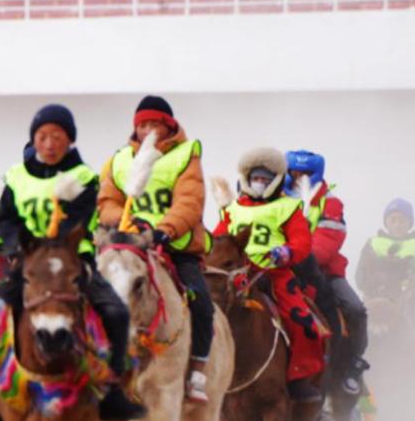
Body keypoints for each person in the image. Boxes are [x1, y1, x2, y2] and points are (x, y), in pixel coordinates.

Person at [0, 103, 141, 421]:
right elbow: (6, 220)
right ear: (34, 139)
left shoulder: (84, 177)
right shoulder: (17, 177)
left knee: (116, 313)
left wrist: (57, 247)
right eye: (42, 136)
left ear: (69, 140)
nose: (49, 143)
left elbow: (81, 219)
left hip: (74, 265)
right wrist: (20, 248)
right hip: (28, 267)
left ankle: (113, 392)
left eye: (56, 136)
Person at [97, 95, 215, 403]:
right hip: (128, 246)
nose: (148, 130)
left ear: (169, 126)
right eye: (142, 124)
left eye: (155, 124)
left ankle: (198, 370)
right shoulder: (118, 160)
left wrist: (165, 230)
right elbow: (106, 203)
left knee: (201, 300)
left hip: (172, 247)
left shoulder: (185, 155)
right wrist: (125, 221)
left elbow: (190, 201)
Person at [213, 147, 325, 403]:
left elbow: (302, 241)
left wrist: (286, 252)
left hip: (275, 273)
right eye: (255, 178)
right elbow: (220, 237)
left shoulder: (288, 207)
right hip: (238, 273)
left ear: (275, 180)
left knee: (303, 321)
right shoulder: (234, 209)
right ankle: (202, 374)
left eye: (265, 179)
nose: (259, 184)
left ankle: (300, 377)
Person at [284, 149, 370, 395]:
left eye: (304, 173)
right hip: (282, 269)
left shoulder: (330, 202)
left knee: (355, 310)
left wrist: (300, 259)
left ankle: (352, 363)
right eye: (293, 172)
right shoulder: (277, 198)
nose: (298, 177)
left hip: (323, 271)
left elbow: (328, 239)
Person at [355, 198, 415, 348]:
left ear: (409, 223)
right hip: (376, 301)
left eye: (402, 220)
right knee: (354, 332)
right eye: (393, 220)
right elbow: (360, 276)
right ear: (386, 222)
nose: (397, 224)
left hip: (413, 303)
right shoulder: (372, 244)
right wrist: (373, 283)